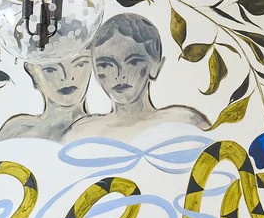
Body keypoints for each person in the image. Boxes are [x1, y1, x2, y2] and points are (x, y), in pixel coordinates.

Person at [63, 13, 211, 141]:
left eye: (133, 62)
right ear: (95, 69)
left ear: (155, 66)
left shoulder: (185, 122)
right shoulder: (81, 133)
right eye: (106, 65)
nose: (119, 75)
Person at [0, 53, 91, 142]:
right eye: (51, 69)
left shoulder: (99, 130)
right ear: (32, 72)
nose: (66, 76)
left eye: (80, 64)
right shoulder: (16, 133)